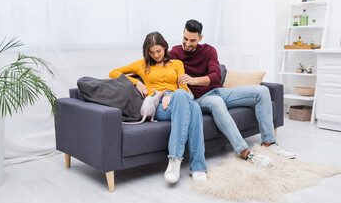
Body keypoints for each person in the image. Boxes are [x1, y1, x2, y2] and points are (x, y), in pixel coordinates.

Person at [169, 19, 295, 167]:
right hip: (200, 99)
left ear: (200, 38)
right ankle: (245, 152)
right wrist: (138, 82)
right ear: (182, 34)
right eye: (185, 38)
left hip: (220, 92)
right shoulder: (175, 53)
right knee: (216, 102)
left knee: (262, 91)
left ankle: (269, 144)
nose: (188, 43)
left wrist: (193, 80)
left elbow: (216, 76)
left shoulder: (209, 50)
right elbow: (153, 65)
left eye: (192, 40)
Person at [109, 31, 208, 182]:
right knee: (193, 107)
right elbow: (113, 72)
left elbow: (182, 87)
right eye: (152, 52)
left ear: (165, 48)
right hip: (159, 105)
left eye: (159, 51)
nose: (156, 55)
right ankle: (188, 164)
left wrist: (171, 96)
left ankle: (192, 166)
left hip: (176, 99)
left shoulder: (177, 64)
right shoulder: (142, 65)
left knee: (189, 103)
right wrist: (137, 82)